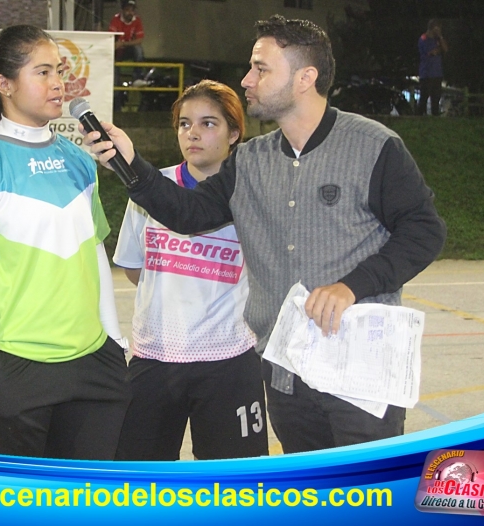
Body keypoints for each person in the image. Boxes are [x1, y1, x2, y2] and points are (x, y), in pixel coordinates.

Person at [87, 15, 447, 454]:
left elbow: (424, 231)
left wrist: (354, 286)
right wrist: (132, 165)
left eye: (261, 68)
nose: (247, 79)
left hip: (361, 372)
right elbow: (190, 213)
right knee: (307, 496)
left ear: (304, 78)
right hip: (285, 371)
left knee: (369, 498)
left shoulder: (374, 145)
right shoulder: (250, 160)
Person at [0, 25, 130, 459]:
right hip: (14, 364)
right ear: (4, 85)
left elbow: (95, 255)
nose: (58, 83)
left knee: (86, 501)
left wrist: (115, 342)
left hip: (92, 362)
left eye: (59, 71)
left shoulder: (81, 159)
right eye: (42, 72)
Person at [113, 80, 268, 461]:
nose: (193, 133)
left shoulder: (254, 194)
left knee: (234, 491)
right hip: (154, 357)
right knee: (138, 486)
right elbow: (135, 269)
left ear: (235, 133)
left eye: (208, 123)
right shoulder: (151, 190)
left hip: (230, 360)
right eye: (184, 123)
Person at [417, 19, 448, 116]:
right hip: (426, 73)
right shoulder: (423, 39)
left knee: (436, 97)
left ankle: (435, 116)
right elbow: (431, 52)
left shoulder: (437, 39)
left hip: (437, 73)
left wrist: (440, 38)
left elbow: (445, 49)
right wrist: (437, 50)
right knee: (424, 97)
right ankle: (419, 115)